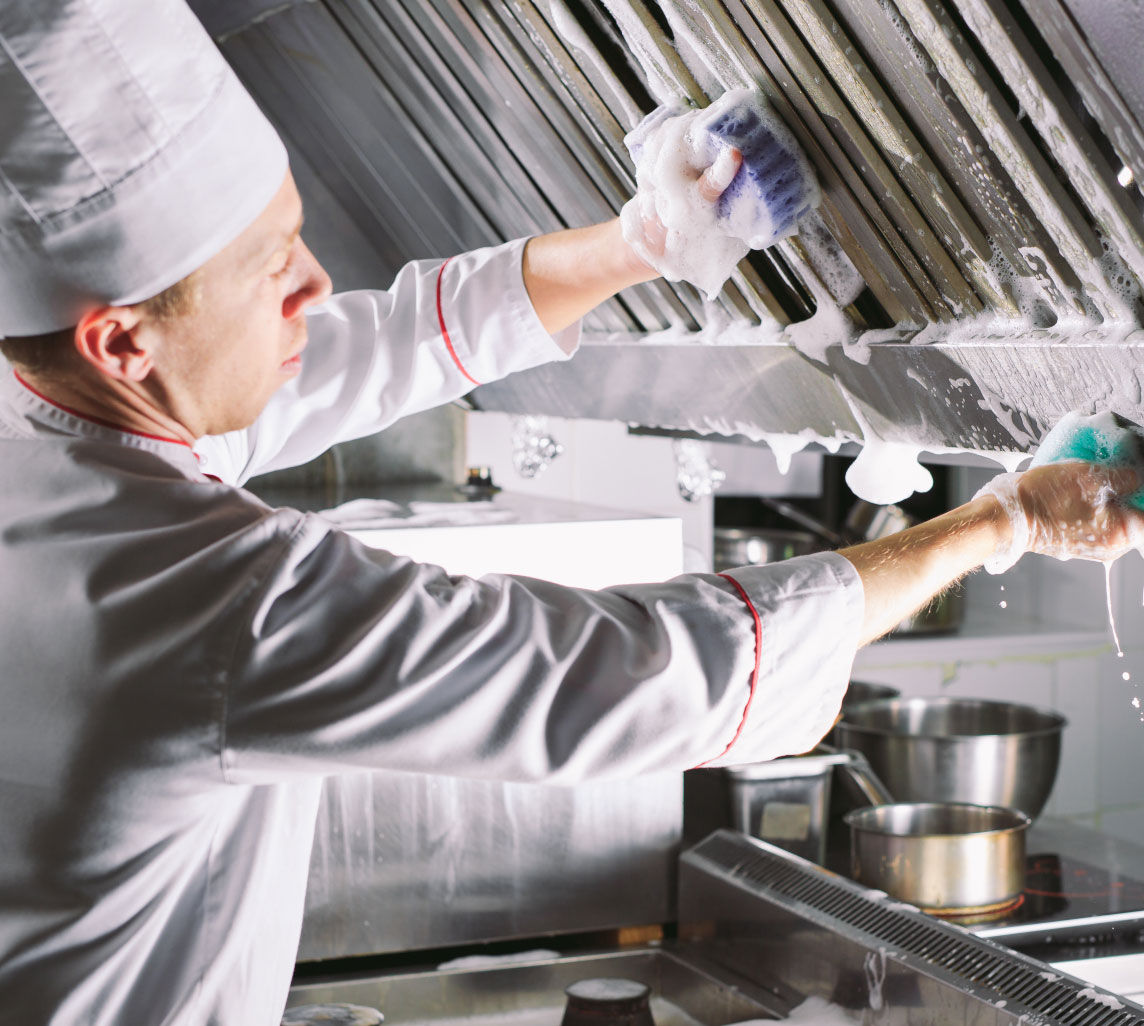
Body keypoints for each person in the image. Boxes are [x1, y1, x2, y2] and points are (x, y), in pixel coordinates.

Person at [0, 2, 1140, 1023]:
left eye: (296, 236)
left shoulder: (61, 421)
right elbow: (637, 674)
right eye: (270, 270)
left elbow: (367, 346)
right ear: (121, 341)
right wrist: (1005, 521)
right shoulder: (194, 598)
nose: (312, 286)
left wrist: (646, 240)